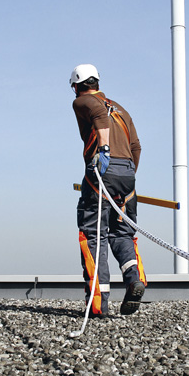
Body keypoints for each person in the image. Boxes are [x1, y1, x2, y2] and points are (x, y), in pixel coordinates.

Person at [71, 64, 146, 319]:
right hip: (127, 175)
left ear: (76, 86)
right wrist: (127, 175)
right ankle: (134, 279)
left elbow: (98, 115)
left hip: (101, 172)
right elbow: (136, 147)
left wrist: (104, 151)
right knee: (123, 233)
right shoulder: (121, 109)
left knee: (94, 236)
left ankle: (98, 305)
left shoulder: (83, 102)